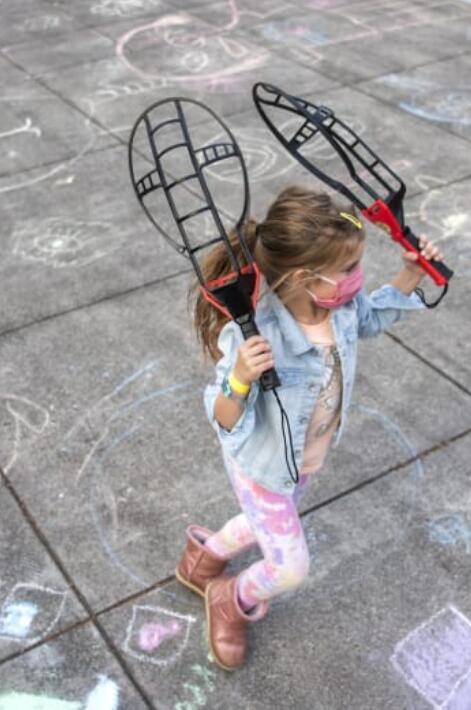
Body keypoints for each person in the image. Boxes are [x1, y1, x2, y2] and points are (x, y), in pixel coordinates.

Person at [173, 185, 445, 670]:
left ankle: (202, 559)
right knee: (289, 566)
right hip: (261, 466)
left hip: (302, 459)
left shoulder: (335, 308)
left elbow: (373, 316)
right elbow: (223, 417)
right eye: (348, 270)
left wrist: (409, 273)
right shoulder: (256, 333)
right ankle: (229, 597)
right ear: (304, 277)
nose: (357, 279)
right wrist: (239, 377)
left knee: (270, 522)